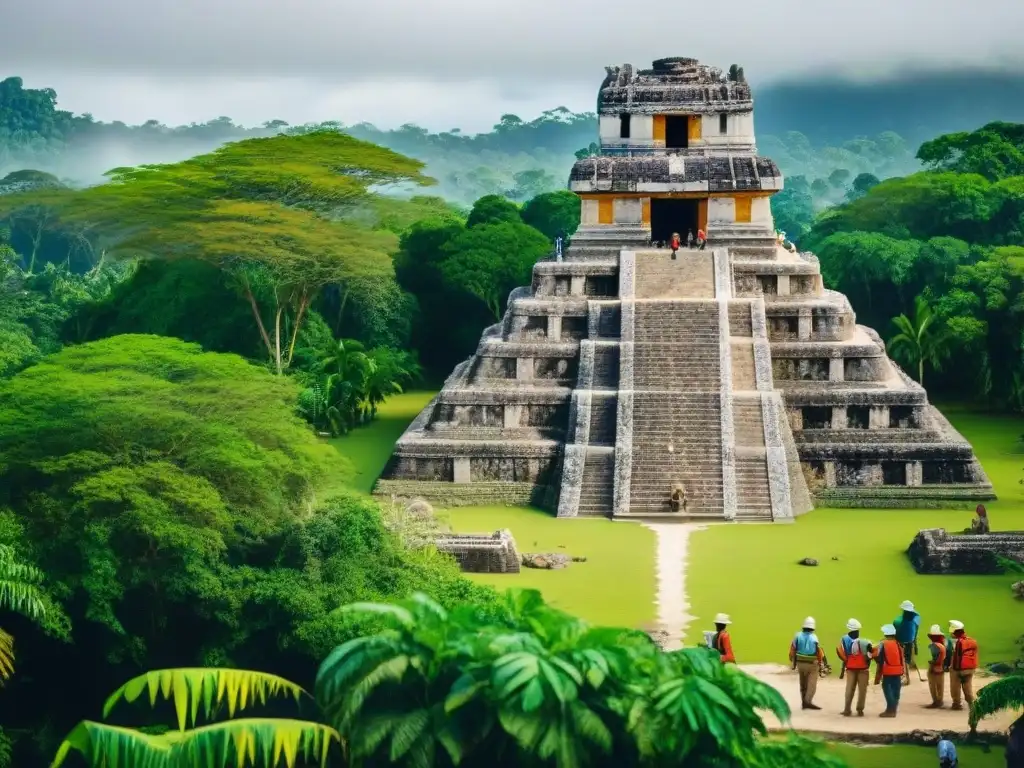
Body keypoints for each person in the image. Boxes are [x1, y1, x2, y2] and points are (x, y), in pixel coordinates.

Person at [837, 618, 872, 717]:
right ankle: (860, 710)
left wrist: (842, 669)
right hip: (863, 669)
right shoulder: (865, 642)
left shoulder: (844, 639)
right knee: (862, 690)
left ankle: (847, 709)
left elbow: (841, 653)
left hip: (850, 667)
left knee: (849, 689)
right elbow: (870, 655)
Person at [789, 616, 824, 710]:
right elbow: (818, 651)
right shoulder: (814, 637)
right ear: (813, 627)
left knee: (803, 683)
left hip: (800, 663)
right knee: (811, 684)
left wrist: (792, 661)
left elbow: (792, 649)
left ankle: (804, 702)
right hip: (812, 664)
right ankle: (808, 701)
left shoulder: (797, 635)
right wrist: (821, 663)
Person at [874, 624, 905, 717]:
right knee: (896, 689)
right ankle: (893, 709)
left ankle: (890, 710)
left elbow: (879, 657)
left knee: (887, 688)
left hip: (888, 670)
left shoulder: (883, 643)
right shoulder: (898, 643)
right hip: (898, 670)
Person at [948, 620, 979, 711]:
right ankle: (971, 704)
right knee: (967, 686)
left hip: (958, 668)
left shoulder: (955, 641)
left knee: (955, 686)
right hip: (970, 668)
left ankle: (957, 704)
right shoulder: (971, 640)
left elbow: (953, 655)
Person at [893, 599, 921, 685]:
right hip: (910, 643)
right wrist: (915, 646)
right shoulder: (916, 620)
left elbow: (894, 634)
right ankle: (906, 677)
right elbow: (915, 634)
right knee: (907, 661)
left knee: (902, 660)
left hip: (901, 643)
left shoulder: (897, 621)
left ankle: (904, 677)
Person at [925, 624, 948, 709]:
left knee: (933, 685)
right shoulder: (943, 644)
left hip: (935, 666)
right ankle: (940, 700)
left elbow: (936, 658)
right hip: (941, 667)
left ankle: (936, 701)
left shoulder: (934, 646)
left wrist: (933, 663)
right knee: (940, 685)